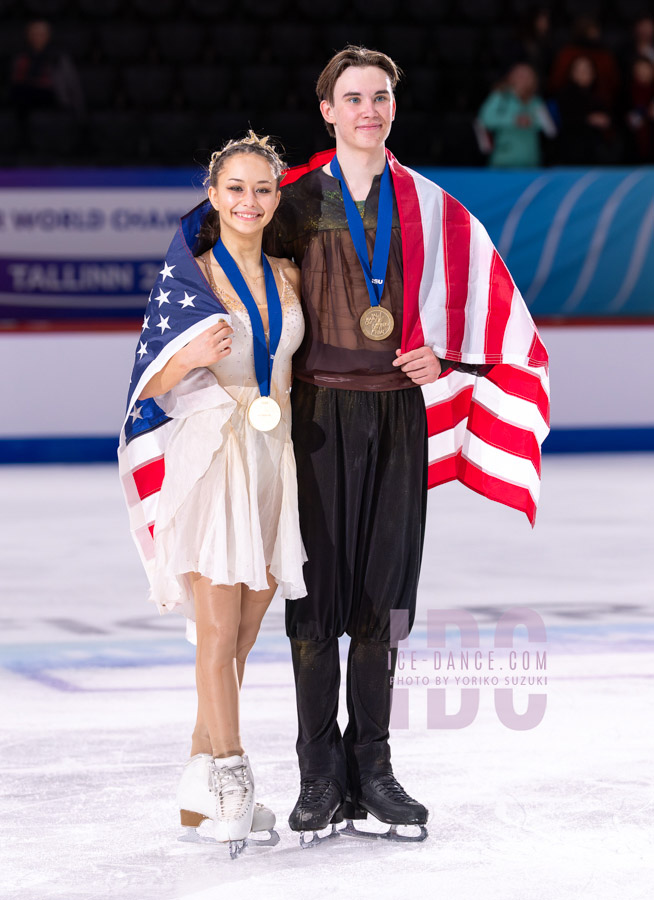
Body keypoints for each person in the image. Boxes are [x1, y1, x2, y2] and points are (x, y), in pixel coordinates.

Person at [266, 46, 550, 844]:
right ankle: (319, 776)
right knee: (315, 600)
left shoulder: (431, 205)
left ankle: (377, 770)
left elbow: (491, 315)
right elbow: (228, 278)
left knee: (385, 600)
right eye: (351, 97)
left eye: (380, 96)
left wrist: (445, 356)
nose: (367, 109)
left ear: (394, 107)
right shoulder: (295, 202)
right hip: (316, 419)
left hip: (397, 417)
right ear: (326, 110)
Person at [118, 133, 306, 856]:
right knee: (218, 631)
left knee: (247, 633)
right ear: (214, 192)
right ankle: (229, 774)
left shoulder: (290, 277)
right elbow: (146, 386)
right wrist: (188, 358)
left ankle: (197, 790)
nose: (248, 201)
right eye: (234, 188)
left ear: (276, 195)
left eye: (261, 189)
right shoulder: (189, 279)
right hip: (213, 457)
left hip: (273, 459)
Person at [477, 63, 556, 167]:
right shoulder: (500, 97)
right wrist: (513, 120)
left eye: (527, 76)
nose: (523, 79)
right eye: (519, 75)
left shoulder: (536, 101)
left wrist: (531, 121)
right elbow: (484, 119)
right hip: (504, 160)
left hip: (530, 160)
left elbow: (550, 129)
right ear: (511, 77)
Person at [10, 20, 84, 118]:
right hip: (24, 98)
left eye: (41, 34)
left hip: (53, 96)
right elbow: (15, 80)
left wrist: (80, 111)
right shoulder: (20, 56)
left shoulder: (59, 57)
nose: (37, 37)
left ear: (48, 36)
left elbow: (72, 84)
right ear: (28, 36)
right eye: (34, 34)